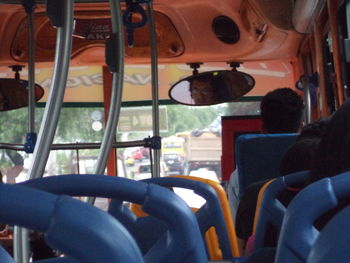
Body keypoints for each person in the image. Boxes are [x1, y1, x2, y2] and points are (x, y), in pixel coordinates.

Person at [227, 88, 304, 225]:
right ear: (301, 125)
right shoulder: (321, 164)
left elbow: (238, 227)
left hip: (260, 244)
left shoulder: (240, 177)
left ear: (262, 126)